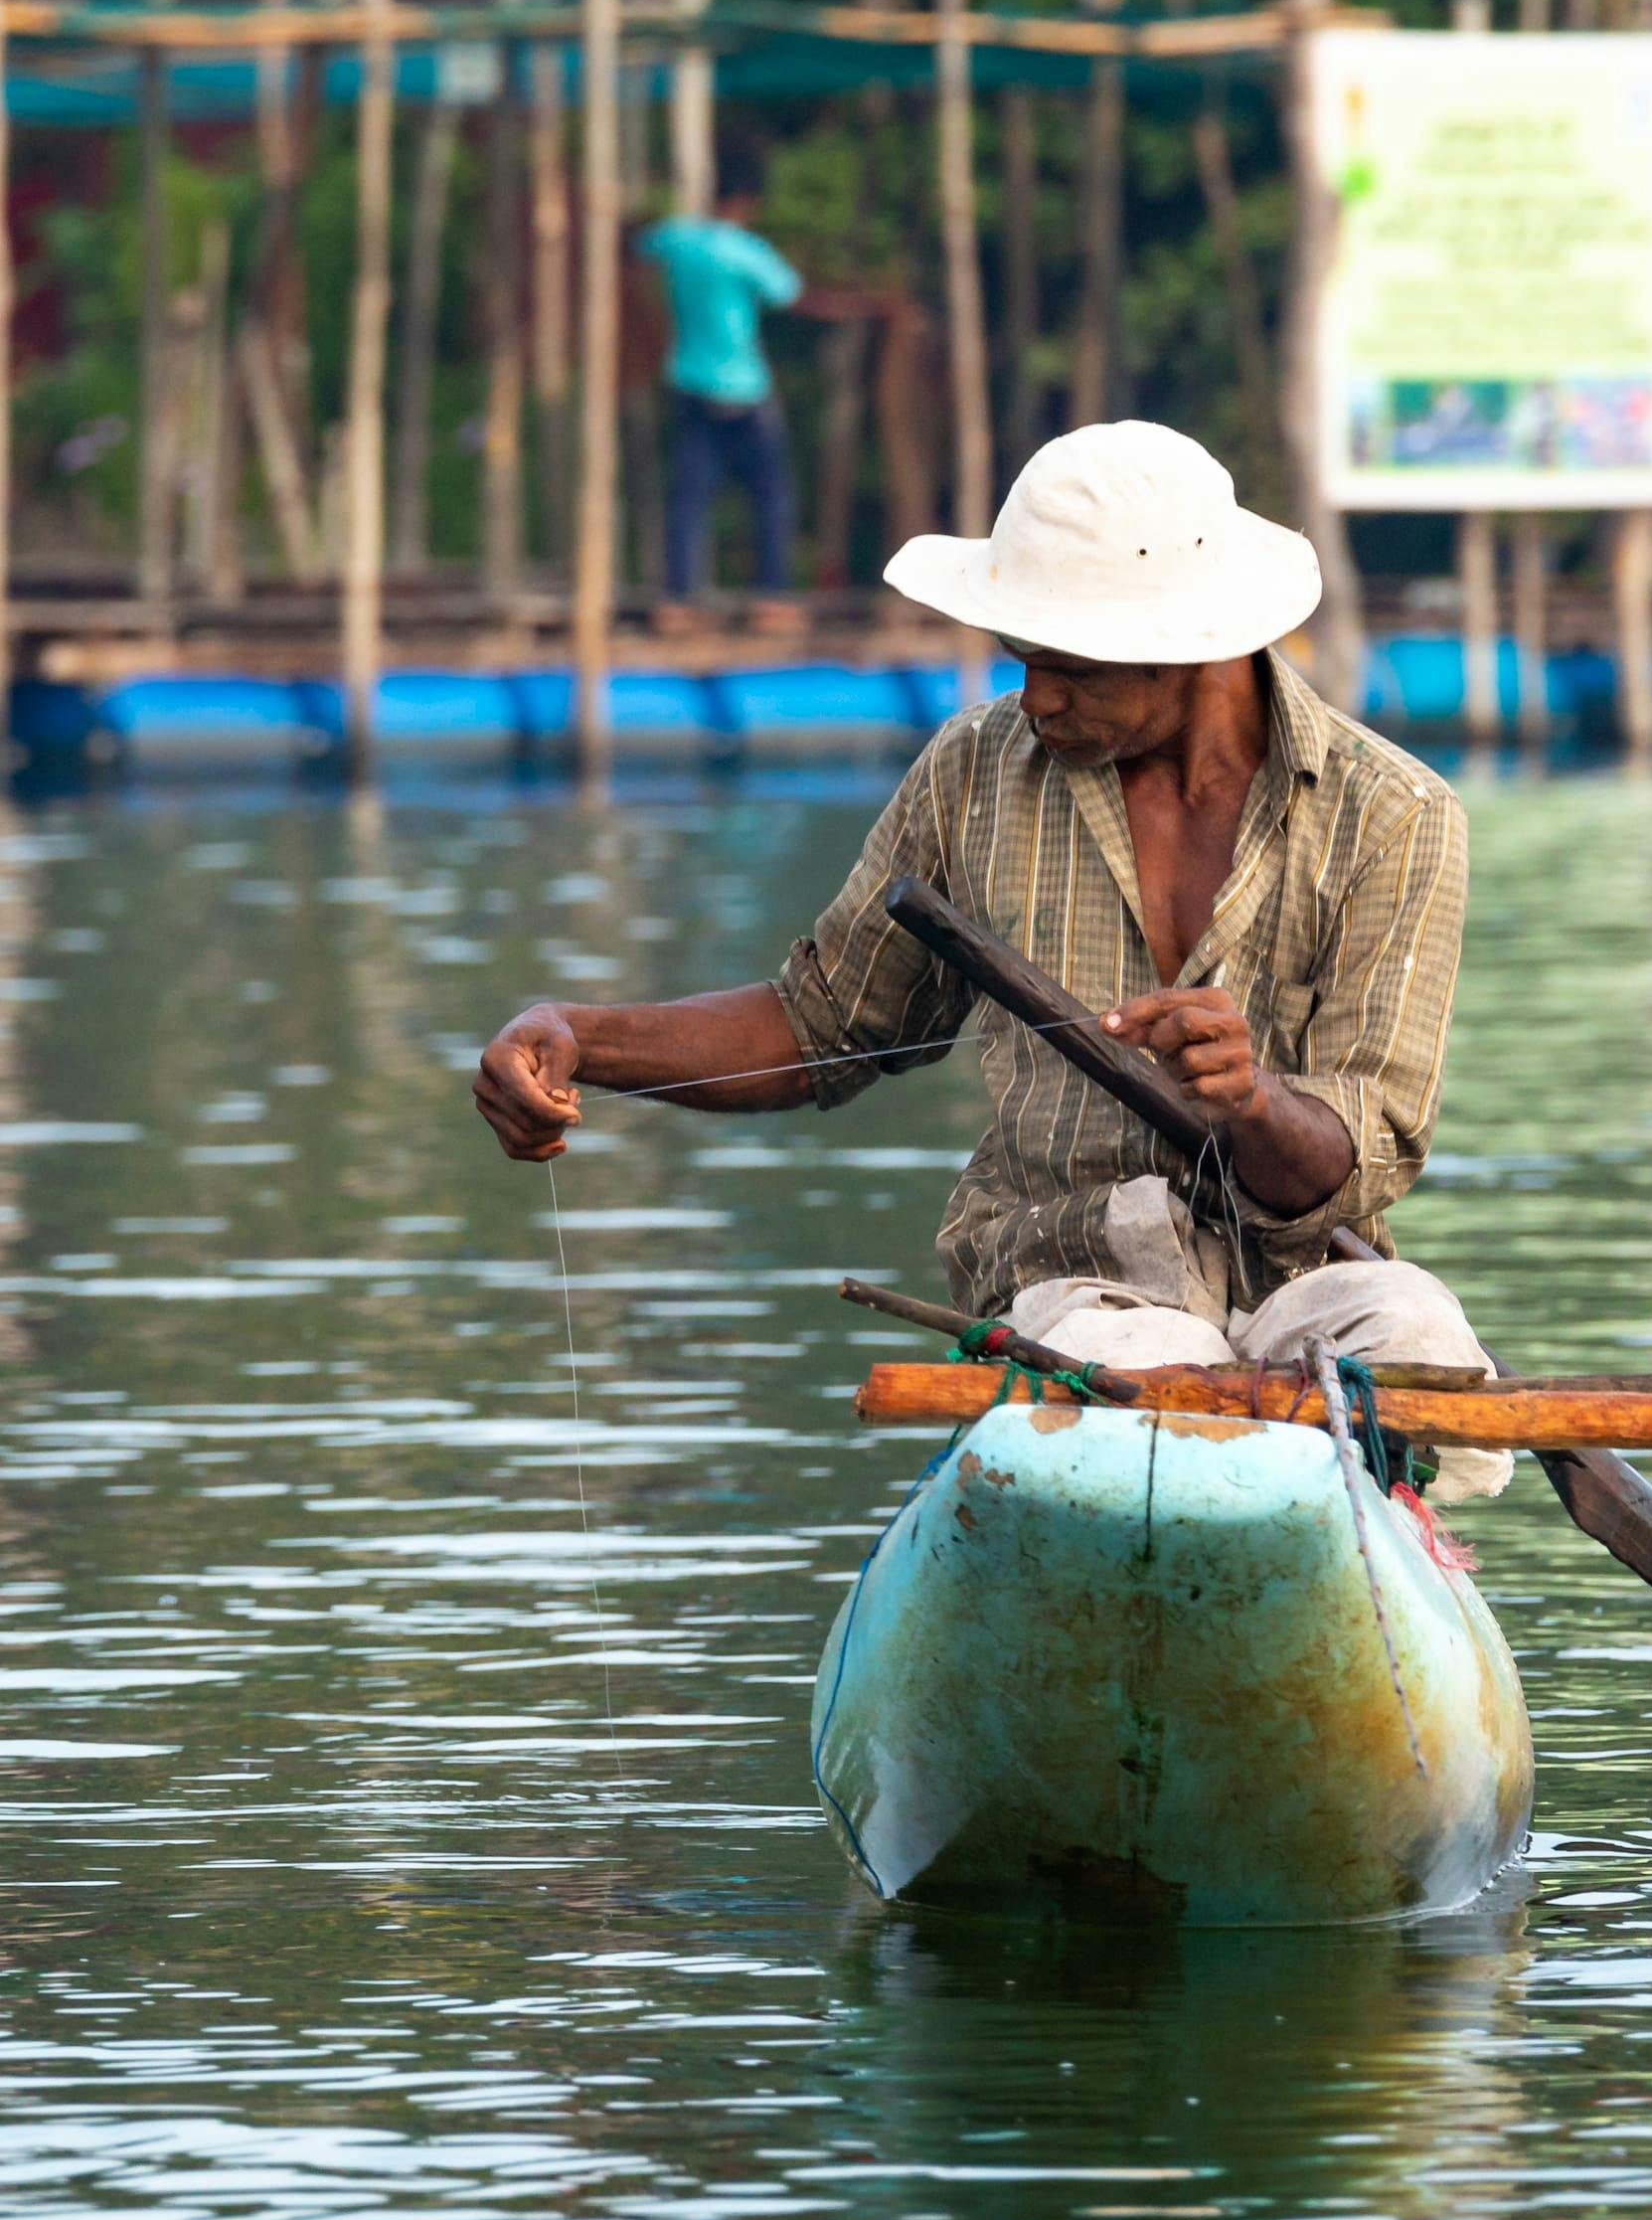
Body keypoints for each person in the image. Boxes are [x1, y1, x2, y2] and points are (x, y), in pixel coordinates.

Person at [470, 419, 1509, 1492]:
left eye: (1072, 668)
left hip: (1309, 1278)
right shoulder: (974, 773)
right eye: (1025, 661)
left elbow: (1358, 1153)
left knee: (1419, 1334)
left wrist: (1249, 1103)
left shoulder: (1391, 816)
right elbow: (820, 1027)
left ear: (1190, 646)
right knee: (1140, 1378)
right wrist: (576, 1037)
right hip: (1079, 1279)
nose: (1035, 699)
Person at [637, 148, 803, 597]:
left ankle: (680, 598)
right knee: (771, 498)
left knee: (689, 500)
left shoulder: (676, 240)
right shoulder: (746, 251)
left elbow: (635, 246)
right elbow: (788, 292)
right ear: (747, 201)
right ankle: (772, 594)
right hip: (745, 387)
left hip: (690, 381)